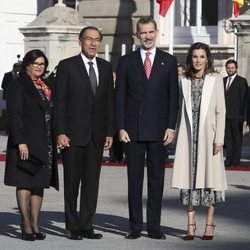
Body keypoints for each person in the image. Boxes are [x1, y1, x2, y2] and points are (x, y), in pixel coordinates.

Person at [115, 16, 178, 240]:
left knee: (156, 180)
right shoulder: (126, 61)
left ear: (156, 32)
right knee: (134, 180)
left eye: (151, 32)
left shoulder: (169, 61)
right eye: (143, 33)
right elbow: (119, 97)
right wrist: (120, 127)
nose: (147, 37)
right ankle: (134, 226)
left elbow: (173, 99)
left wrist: (171, 127)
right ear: (137, 35)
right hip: (132, 130)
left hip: (160, 131)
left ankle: (154, 226)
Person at [54, 26, 114, 240]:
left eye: (97, 39)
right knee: (72, 184)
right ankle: (72, 225)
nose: (93, 43)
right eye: (88, 39)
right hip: (72, 135)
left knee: (91, 184)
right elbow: (59, 103)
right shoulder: (67, 66)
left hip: (96, 136)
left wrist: (109, 132)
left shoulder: (106, 68)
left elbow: (109, 102)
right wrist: (60, 132)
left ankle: (86, 225)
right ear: (80, 41)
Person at [171, 42, 227, 241]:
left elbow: (221, 111)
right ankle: (191, 225)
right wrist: (175, 134)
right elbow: (178, 111)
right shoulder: (183, 80)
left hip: (209, 139)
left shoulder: (215, 79)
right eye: (195, 56)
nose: (198, 60)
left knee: (211, 182)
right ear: (190, 58)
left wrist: (219, 139)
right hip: (188, 139)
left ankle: (209, 224)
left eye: (202, 57)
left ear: (207, 59)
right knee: (189, 182)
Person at [4, 49, 59, 241]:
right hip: (25, 142)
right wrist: (21, 142)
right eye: (35, 63)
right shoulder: (17, 85)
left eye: (42, 64)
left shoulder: (45, 85)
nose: (39, 67)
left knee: (39, 184)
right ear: (27, 64)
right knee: (25, 182)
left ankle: (36, 222)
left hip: (44, 142)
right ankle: (25, 223)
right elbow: (14, 116)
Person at [223, 59, 248, 167]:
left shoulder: (242, 81)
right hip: (224, 115)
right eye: (228, 68)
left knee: (236, 139)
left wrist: (244, 117)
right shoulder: (222, 80)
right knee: (227, 138)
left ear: (236, 69)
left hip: (237, 116)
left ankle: (236, 160)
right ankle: (228, 159)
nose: (230, 70)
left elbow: (244, 100)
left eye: (232, 68)